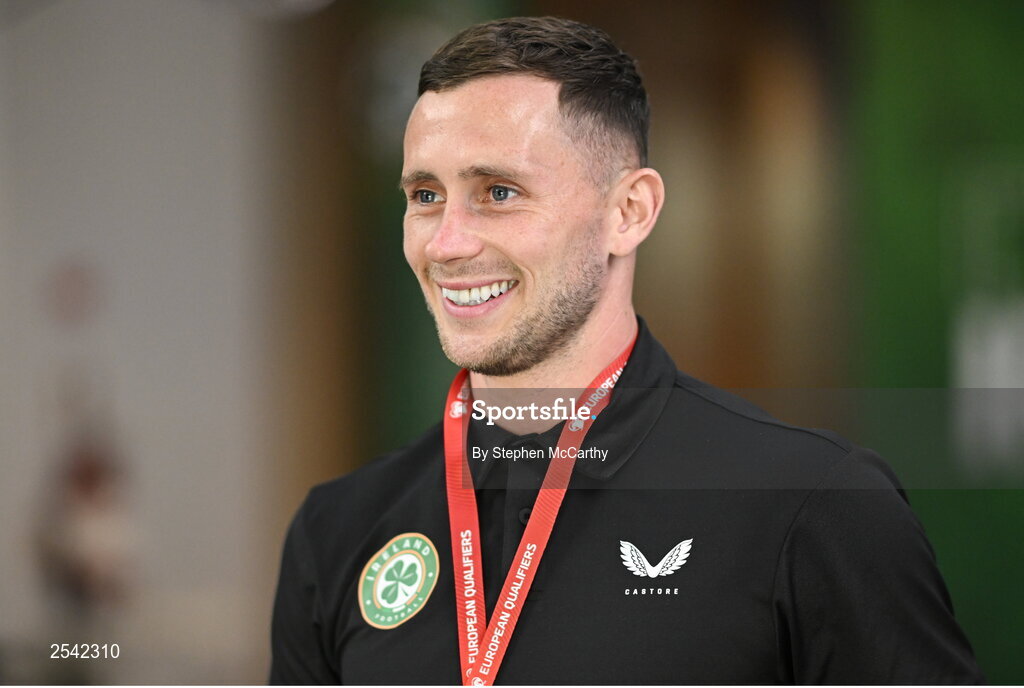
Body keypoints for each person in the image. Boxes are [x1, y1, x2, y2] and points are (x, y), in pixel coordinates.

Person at [270, 16, 983, 684]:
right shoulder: (340, 530)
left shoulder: (813, 503)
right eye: (425, 195)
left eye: (498, 191)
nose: (448, 242)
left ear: (628, 212)